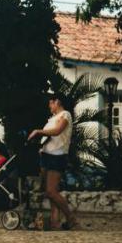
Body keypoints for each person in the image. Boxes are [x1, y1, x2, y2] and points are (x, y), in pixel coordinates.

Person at [29, 93, 78, 230]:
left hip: (57, 156)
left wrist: (38, 131)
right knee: (51, 191)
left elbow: (57, 131)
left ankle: (70, 217)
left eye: (51, 103)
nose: (49, 106)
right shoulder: (52, 118)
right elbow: (49, 137)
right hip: (46, 156)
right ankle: (54, 220)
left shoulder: (65, 115)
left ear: (57, 102)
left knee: (51, 191)